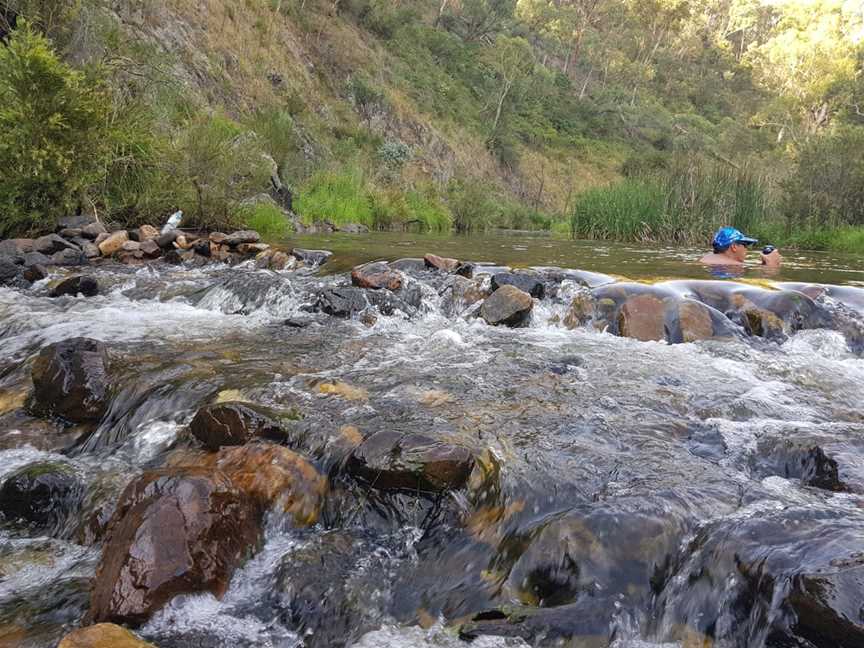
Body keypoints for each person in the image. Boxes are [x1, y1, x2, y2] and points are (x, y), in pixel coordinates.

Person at [700, 226, 781, 267]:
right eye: (745, 245)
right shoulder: (734, 266)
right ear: (734, 246)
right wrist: (772, 265)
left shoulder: (704, 259)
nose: (746, 249)